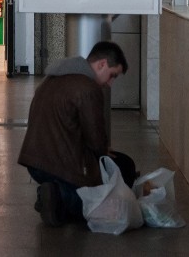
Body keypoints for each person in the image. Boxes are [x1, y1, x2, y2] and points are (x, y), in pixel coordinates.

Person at [18, 41, 135, 227]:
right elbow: (96, 140)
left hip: (35, 162)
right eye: (112, 76)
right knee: (123, 167)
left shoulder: (52, 78)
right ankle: (59, 196)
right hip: (60, 165)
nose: (110, 84)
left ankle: (54, 194)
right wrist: (104, 154)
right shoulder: (88, 88)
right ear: (102, 64)